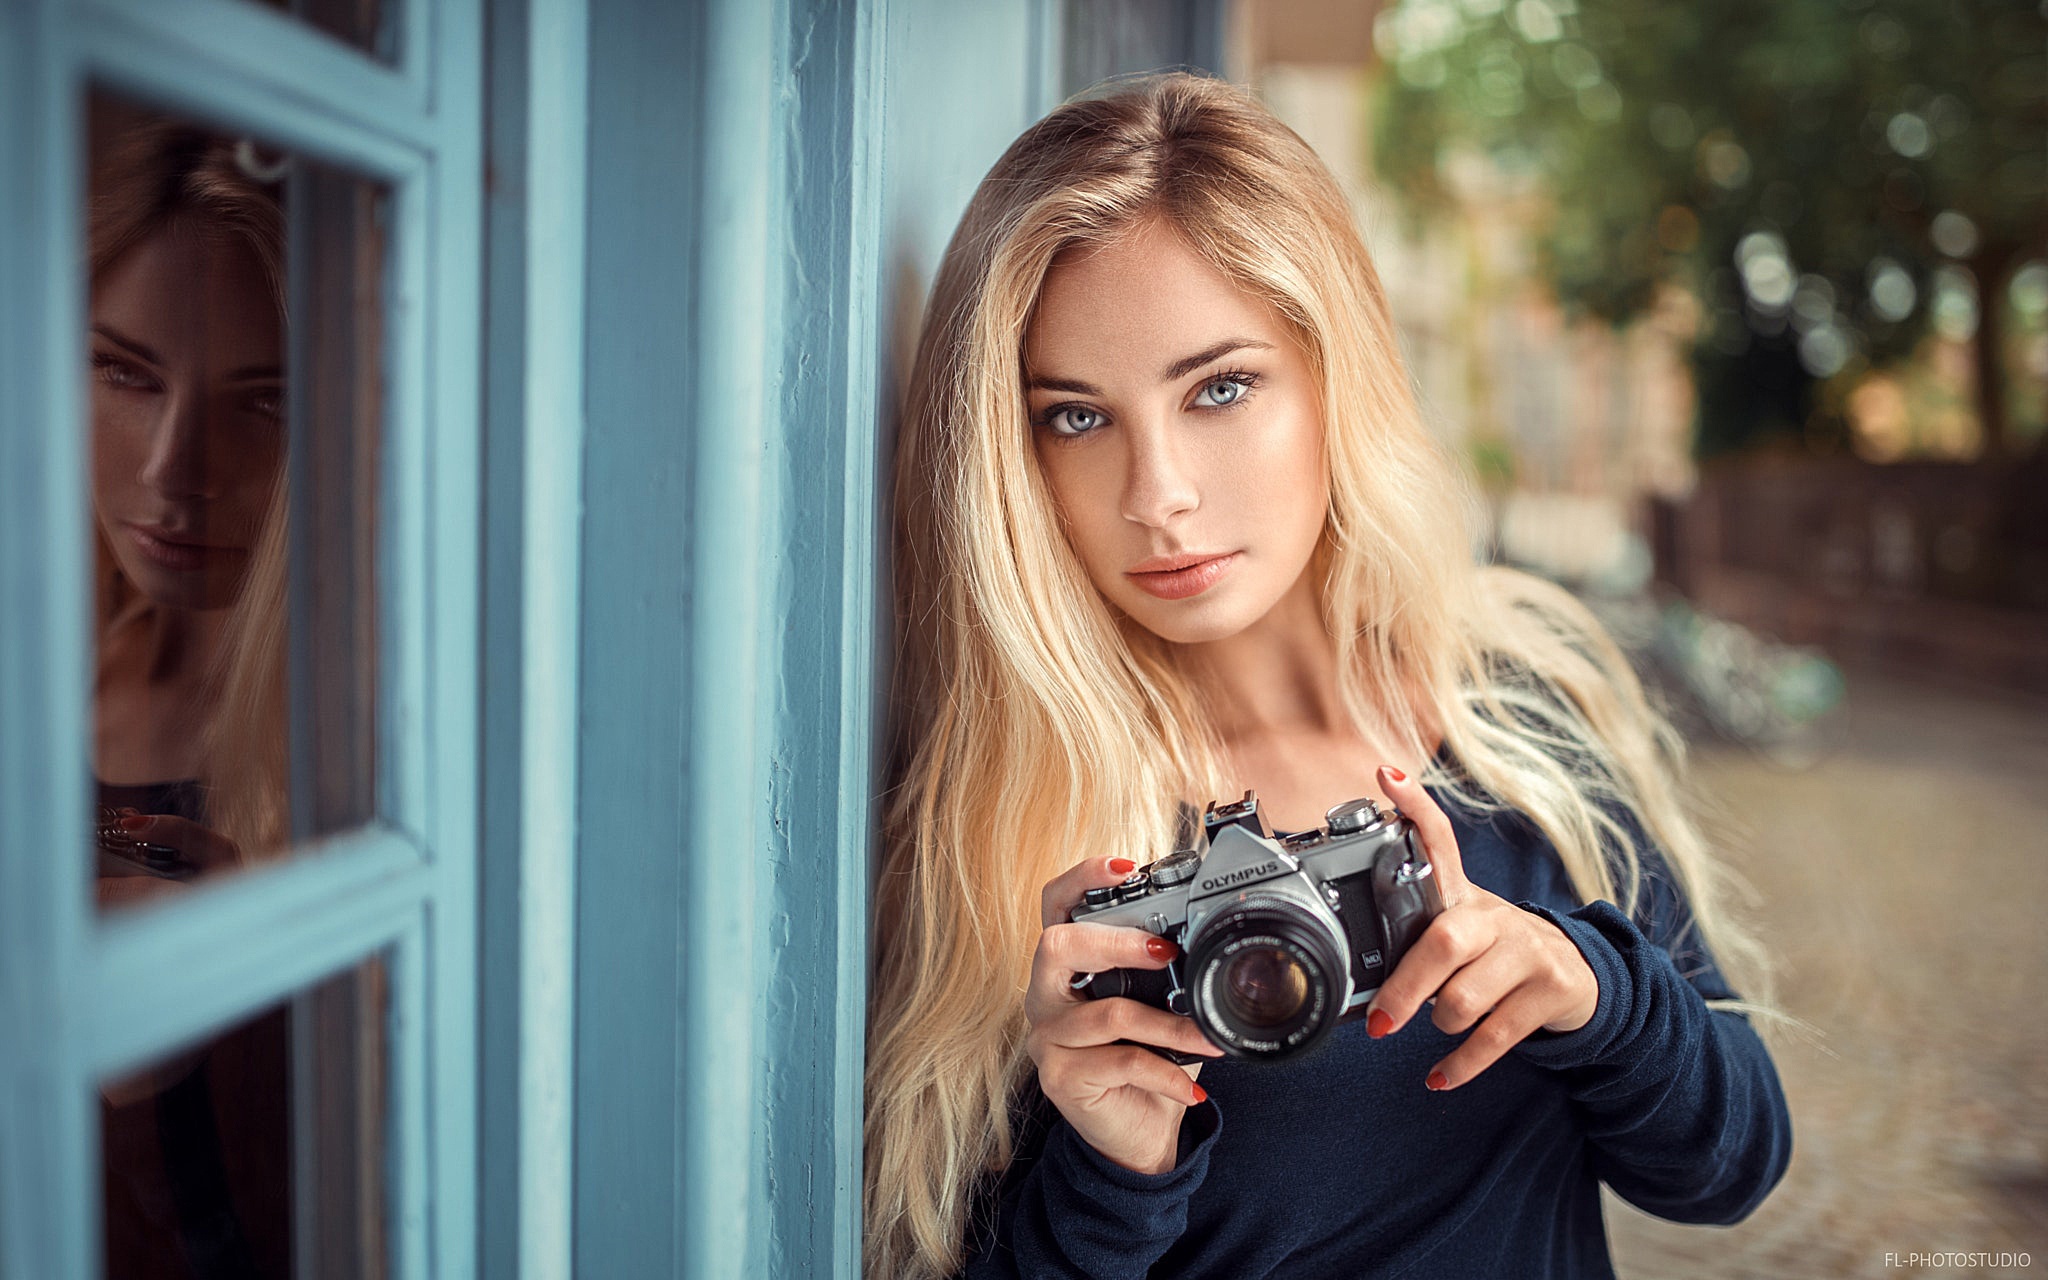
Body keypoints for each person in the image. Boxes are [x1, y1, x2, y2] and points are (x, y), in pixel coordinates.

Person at [863, 73, 1792, 1280]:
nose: (1160, 496)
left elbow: (1727, 1168)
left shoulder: (1514, 710)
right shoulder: (1016, 838)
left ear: (1329, 370)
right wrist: (1107, 1172)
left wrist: (1596, 993)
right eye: (1074, 418)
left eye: (1219, 388)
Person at [87, 102, 295, 1279]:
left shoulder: (362, 747)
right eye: (126, 371)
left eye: (261, 400)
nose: (173, 476)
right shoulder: (39, 666)